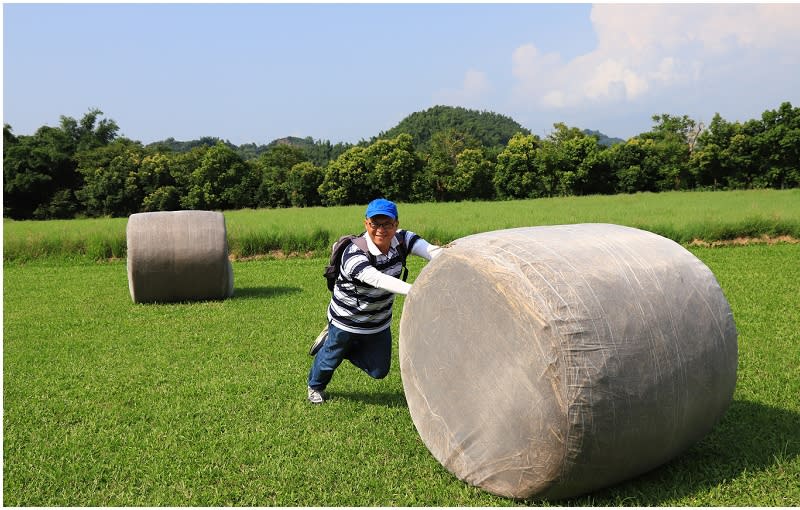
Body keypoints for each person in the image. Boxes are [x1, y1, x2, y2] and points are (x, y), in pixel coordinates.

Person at [306, 198, 443, 404]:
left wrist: (455, 258)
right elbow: (377, 279)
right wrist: (417, 291)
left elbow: (433, 252)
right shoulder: (353, 254)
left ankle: (339, 348)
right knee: (329, 359)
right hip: (347, 319)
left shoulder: (403, 240)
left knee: (379, 370)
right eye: (375, 223)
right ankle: (315, 385)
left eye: (387, 223)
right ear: (366, 224)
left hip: (378, 321)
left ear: (396, 224)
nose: (381, 229)